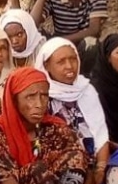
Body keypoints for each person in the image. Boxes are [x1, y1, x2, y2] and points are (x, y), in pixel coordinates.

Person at [35, 37, 109, 172]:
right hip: (60, 167)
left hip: (94, 161)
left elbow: (101, 134)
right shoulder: (41, 94)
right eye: (61, 62)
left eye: (73, 59)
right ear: (46, 66)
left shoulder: (86, 89)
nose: (69, 66)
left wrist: (101, 168)